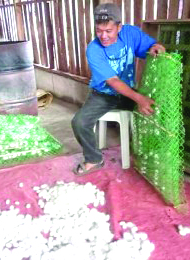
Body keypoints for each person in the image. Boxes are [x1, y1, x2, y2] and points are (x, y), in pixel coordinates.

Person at [71, 3, 165, 175]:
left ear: (119, 27)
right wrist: (138, 98)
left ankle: (145, 155)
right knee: (79, 122)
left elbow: (149, 47)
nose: (103, 36)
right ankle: (94, 159)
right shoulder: (93, 50)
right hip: (103, 95)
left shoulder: (130, 33)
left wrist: (155, 48)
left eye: (108, 31)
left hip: (128, 92)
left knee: (153, 113)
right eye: (99, 30)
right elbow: (113, 81)